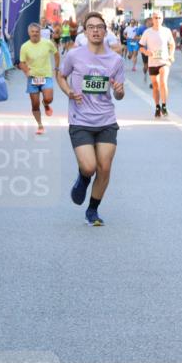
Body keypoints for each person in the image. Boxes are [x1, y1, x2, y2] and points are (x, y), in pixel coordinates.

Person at [55, 12, 125, 226]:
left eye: (99, 27)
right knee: (89, 167)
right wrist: (68, 91)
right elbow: (61, 75)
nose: (95, 30)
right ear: (85, 32)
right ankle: (83, 178)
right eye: (91, 27)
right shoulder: (74, 55)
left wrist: (119, 90)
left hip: (106, 120)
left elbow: (119, 95)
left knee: (104, 168)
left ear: (105, 31)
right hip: (80, 120)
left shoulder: (116, 60)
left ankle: (92, 210)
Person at [18, 22, 60, 135]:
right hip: (33, 77)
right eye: (33, 32)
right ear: (29, 33)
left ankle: (46, 104)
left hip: (46, 75)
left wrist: (56, 68)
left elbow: (56, 54)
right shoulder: (25, 47)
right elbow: (21, 63)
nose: (35, 34)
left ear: (40, 32)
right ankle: (40, 125)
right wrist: (27, 72)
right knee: (35, 104)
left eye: (37, 32)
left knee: (49, 98)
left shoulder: (47, 43)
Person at [141, 11, 175, 117]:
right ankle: (157, 106)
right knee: (155, 86)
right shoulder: (147, 32)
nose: (158, 20)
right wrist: (146, 52)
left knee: (163, 82)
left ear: (162, 19)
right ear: (152, 19)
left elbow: (172, 44)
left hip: (164, 61)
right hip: (152, 62)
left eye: (159, 18)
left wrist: (171, 55)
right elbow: (141, 46)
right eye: (155, 18)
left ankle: (164, 105)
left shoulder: (166, 31)